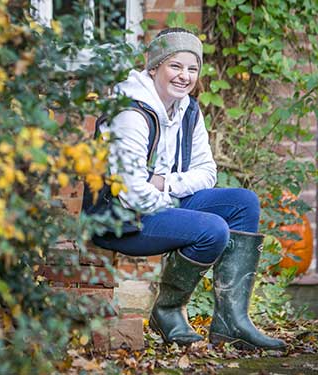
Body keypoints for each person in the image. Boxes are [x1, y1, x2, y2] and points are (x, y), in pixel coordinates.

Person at [84, 28, 286, 350]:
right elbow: (132, 193)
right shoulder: (131, 113)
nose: (185, 76)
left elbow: (208, 173)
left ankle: (231, 323)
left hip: (160, 203)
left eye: (192, 69)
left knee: (243, 203)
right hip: (118, 219)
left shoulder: (188, 110)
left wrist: (166, 183)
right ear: (154, 68)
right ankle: (167, 312)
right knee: (212, 230)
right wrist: (173, 203)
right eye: (175, 66)